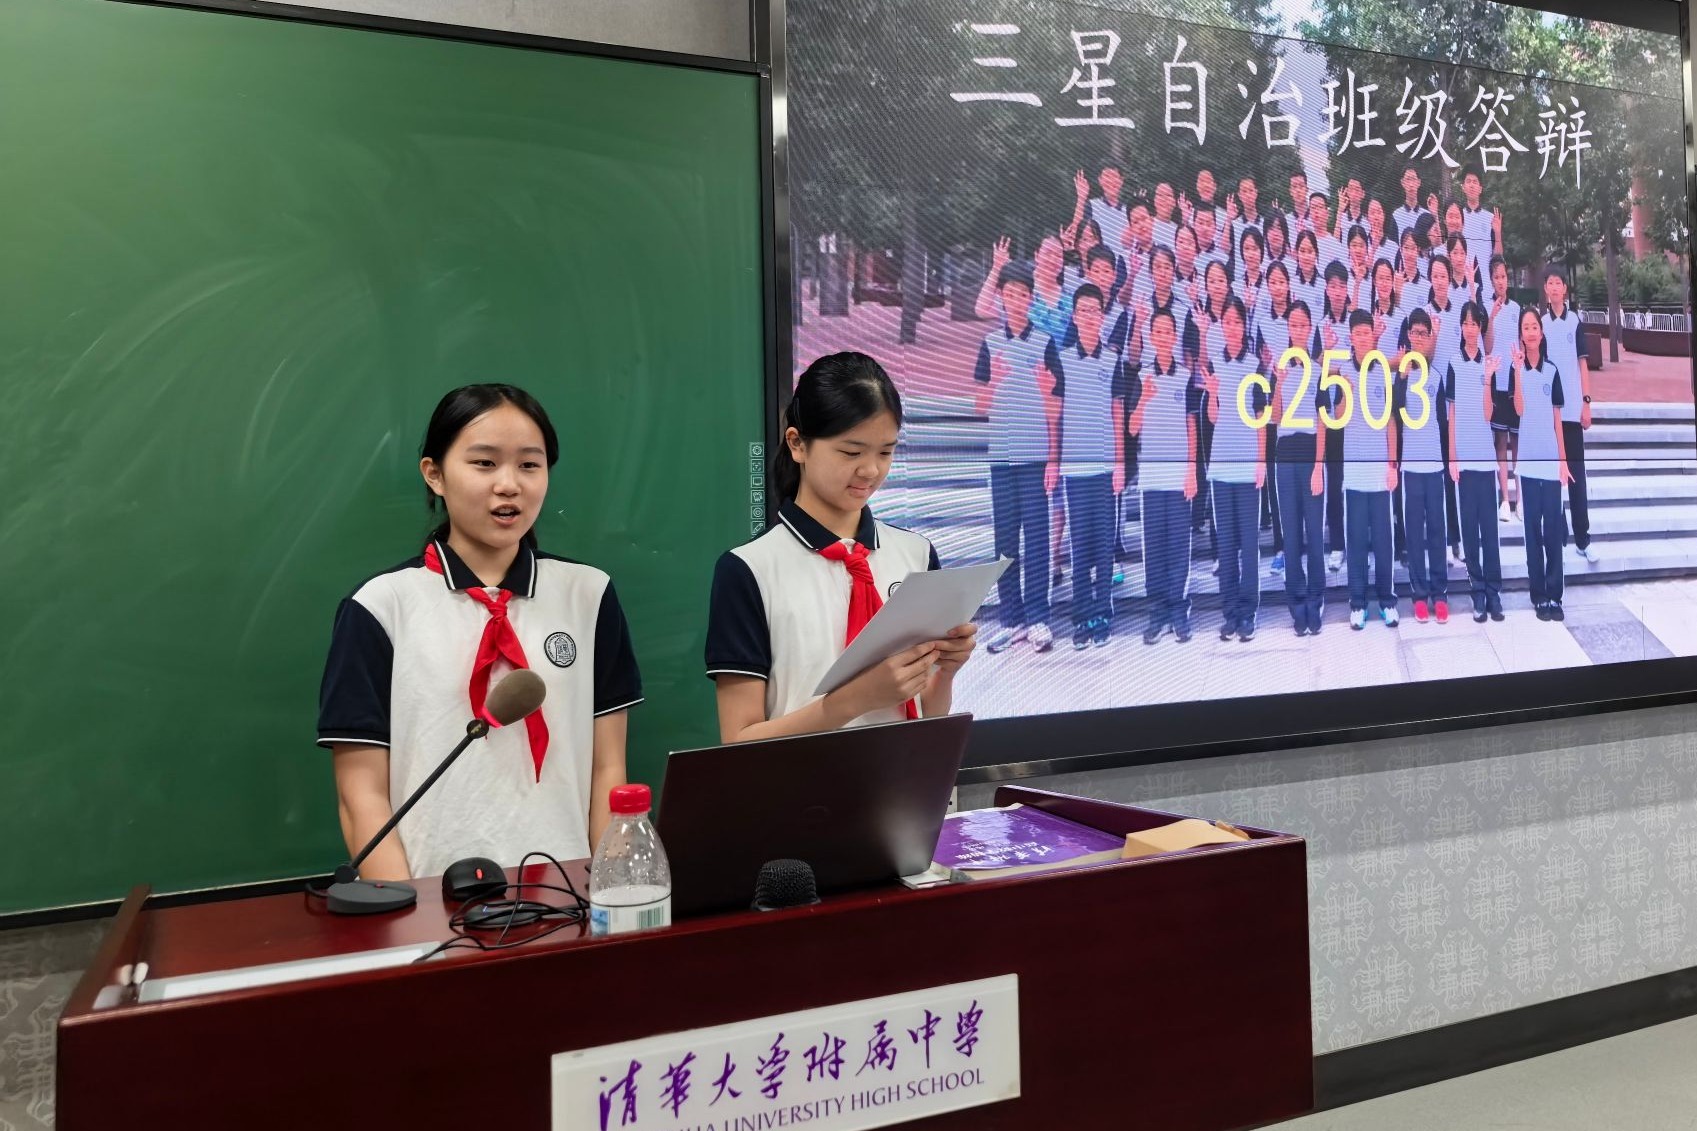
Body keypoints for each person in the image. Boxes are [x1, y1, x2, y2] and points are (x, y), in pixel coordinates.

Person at [317, 384, 642, 881]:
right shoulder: (380, 607)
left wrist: (607, 894)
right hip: (430, 903)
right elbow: (361, 796)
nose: (509, 485)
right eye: (484, 463)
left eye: (529, 465)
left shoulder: (589, 595)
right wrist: (409, 912)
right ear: (435, 474)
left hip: (568, 895)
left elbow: (609, 770)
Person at [708, 353, 977, 740]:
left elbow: (926, 714)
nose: (870, 470)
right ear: (797, 444)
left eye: (885, 452)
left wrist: (946, 670)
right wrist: (852, 701)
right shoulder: (749, 569)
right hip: (799, 779)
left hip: (900, 775)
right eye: (851, 452)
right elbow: (738, 739)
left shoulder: (916, 553)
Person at [975, 261, 1055, 655]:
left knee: (1037, 540)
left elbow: (1056, 407)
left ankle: (1038, 617)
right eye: (1010, 294)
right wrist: (995, 379)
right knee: (1005, 542)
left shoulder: (1045, 343)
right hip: (1002, 459)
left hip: (1036, 457)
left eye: (1024, 294)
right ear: (1002, 298)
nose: (1017, 300)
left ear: (1031, 298)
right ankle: (1011, 620)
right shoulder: (990, 343)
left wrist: (1054, 458)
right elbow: (979, 405)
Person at [1048, 284, 1128, 648]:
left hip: (1107, 468)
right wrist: (1054, 460)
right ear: (1075, 316)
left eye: (1096, 311)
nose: (1090, 317)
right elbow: (1055, 415)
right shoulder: (1061, 359)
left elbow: (1117, 412)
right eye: (1083, 311)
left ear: (1103, 316)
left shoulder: (1113, 360)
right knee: (1080, 548)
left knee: (1104, 546)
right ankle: (1082, 618)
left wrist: (1121, 463)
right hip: (1075, 469)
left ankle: (1102, 615)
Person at [1128, 308, 1199, 644]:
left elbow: (1191, 425)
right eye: (1157, 331)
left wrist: (1192, 471)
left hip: (1179, 476)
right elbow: (1132, 428)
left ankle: (1179, 611)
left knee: (1179, 546)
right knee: (1154, 548)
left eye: (1169, 331)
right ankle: (1157, 612)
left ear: (1175, 336)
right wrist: (1144, 398)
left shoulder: (1185, 376)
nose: (1163, 337)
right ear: (1151, 336)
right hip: (1152, 477)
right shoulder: (1142, 376)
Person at [1200, 297, 1267, 641]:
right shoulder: (1214, 363)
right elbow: (1213, 417)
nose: (1232, 327)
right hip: (1221, 467)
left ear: (1244, 326)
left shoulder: (1255, 365)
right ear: (1221, 326)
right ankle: (1229, 613)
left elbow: (1260, 417)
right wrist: (1213, 394)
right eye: (1227, 321)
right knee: (1226, 544)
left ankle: (1248, 611)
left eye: (1237, 321)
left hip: (1248, 466)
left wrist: (1261, 461)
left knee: (1249, 543)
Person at [1268, 294, 1327, 635]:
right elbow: (1274, 417)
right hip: (1285, 454)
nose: (1299, 330)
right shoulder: (1280, 367)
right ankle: (1297, 603)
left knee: (1314, 533)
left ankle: (1316, 600)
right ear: (1288, 328)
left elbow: (1323, 421)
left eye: (1304, 325)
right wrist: (1278, 383)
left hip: (1310, 452)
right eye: (1294, 324)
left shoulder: (1318, 370)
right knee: (1291, 534)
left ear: (1310, 328)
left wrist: (1319, 466)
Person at [1510, 307, 1574, 620]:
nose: (1531, 332)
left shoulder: (1552, 371)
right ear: (1521, 335)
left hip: (1550, 464)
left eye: (1534, 326)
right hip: (1528, 463)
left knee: (1552, 532)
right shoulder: (1517, 370)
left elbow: (1558, 421)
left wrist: (1563, 461)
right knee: (1532, 532)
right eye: (1526, 327)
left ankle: (1554, 595)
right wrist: (1517, 371)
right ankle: (1538, 596)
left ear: (1541, 332)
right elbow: (1519, 410)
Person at [1340, 310, 1400, 629]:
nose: (1363, 338)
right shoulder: (1342, 372)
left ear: (1373, 336)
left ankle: (1387, 602)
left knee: (1383, 540)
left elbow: (1390, 422)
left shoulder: (1383, 372)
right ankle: (1358, 603)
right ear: (1351, 337)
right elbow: (1336, 417)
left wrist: (1392, 464)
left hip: (1379, 471)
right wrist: (1346, 394)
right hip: (1354, 471)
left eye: (1367, 332)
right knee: (1356, 540)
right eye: (1358, 333)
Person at [1447, 300, 1506, 622]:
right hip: (1464, 462)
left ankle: (1494, 592)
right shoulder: (1453, 362)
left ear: (1481, 327)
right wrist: (1452, 457)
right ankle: (1478, 591)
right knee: (1469, 531)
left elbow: (1488, 414)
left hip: (1485, 460)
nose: (1470, 329)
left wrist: (1486, 378)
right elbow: (1452, 414)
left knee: (1489, 532)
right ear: (1461, 327)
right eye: (1466, 323)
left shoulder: (1488, 363)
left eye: (1475, 324)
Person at [1541, 267, 1597, 563]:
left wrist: (1586, 402)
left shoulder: (1574, 321)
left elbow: (1583, 364)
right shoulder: (1540, 324)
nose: (1554, 287)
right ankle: (1558, 535)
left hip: (1573, 413)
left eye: (1558, 283)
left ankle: (1583, 539)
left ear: (1565, 289)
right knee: (1552, 478)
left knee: (1577, 478)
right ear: (1545, 289)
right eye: (1549, 283)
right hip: (1550, 415)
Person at [1398, 310, 1449, 622]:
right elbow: (1394, 416)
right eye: (1413, 333)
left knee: (1437, 531)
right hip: (1411, 469)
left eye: (1423, 333)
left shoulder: (1437, 378)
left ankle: (1439, 594)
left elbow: (1443, 424)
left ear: (1430, 338)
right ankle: (1419, 595)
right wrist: (1402, 380)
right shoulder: (1402, 377)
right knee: (1414, 533)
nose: (1417, 338)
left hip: (1434, 468)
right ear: (1408, 337)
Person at [1484, 256, 1522, 522]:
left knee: (1516, 441)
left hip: (1514, 382)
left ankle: (1520, 499)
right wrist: (1491, 317)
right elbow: (1486, 346)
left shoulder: (1517, 309)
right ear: (1490, 280)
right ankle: (1505, 500)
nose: (1500, 281)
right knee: (1500, 441)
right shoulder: (1486, 308)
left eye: (1504, 277)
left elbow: (1520, 343)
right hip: (1496, 382)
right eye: (1496, 277)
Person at [1458, 166, 1501, 304]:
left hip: (1487, 287)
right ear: (1463, 187)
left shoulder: (1490, 218)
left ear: (1480, 188)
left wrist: (1498, 232)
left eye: (1475, 182)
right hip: (1463, 285)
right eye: (1468, 181)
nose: (1471, 185)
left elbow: (1498, 255)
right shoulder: (1458, 217)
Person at [1392, 165, 1433, 240]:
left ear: (1419, 182)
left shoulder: (1427, 215)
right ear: (1402, 183)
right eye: (1408, 179)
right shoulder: (1396, 215)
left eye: (1413, 179)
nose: (1411, 184)